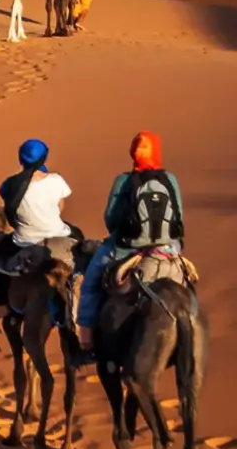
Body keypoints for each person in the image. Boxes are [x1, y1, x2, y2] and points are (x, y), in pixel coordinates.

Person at [73, 130, 185, 358]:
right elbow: (179, 218)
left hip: (126, 248)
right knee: (186, 284)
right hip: (167, 249)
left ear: (133, 154)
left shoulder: (123, 181)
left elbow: (110, 219)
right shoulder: (170, 179)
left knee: (91, 282)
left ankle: (85, 339)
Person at [0, 139, 74, 309]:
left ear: (21, 160)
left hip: (23, 241)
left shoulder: (10, 185)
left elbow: (9, 207)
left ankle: (1, 304)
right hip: (58, 234)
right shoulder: (56, 180)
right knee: (82, 245)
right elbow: (60, 206)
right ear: (44, 159)